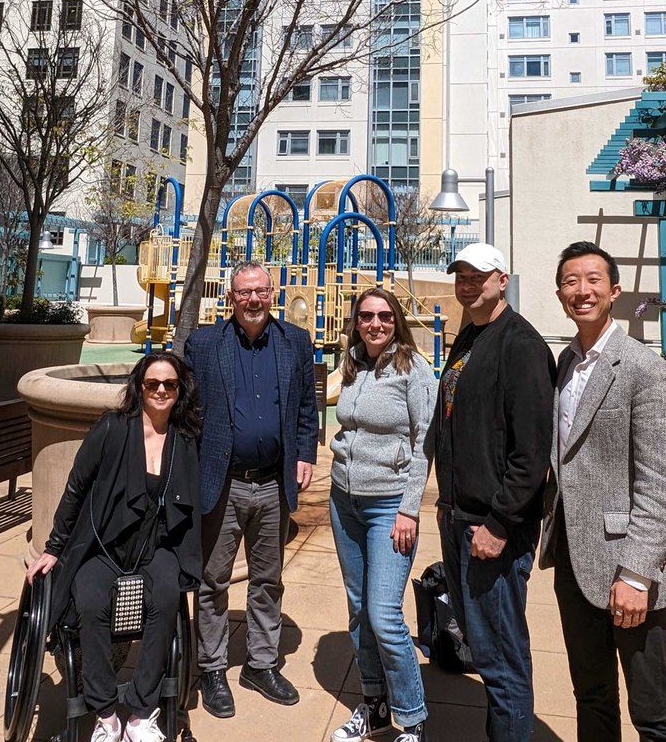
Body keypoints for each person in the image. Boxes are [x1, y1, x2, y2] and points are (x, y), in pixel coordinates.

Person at [540, 241, 666, 742]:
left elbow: (661, 483)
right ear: (560, 293)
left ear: (614, 291)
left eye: (593, 280)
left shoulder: (646, 370)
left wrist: (638, 574)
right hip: (573, 564)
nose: (582, 291)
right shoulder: (565, 363)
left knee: (652, 713)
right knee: (592, 698)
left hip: (629, 570)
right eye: (571, 281)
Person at [25, 353, 202, 742]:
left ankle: (141, 712)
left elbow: (186, 508)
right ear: (140, 387)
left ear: (179, 391)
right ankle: (105, 712)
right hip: (104, 545)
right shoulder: (113, 428)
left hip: (154, 548)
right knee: (90, 601)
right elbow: (75, 488)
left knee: (167, 599)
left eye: (168, 385)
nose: (160, 391)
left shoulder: (184, 440)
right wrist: (54, 548)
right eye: (152, 384)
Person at [431, 243, 555, 742]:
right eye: (460, 275)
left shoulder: (520, 345)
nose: (467, 284)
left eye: (478, 276)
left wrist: (500, 523)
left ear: (502, 279)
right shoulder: (470, 336)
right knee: (484, 650)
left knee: (502, 658)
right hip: (460, 518)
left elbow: (532, 453)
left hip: (492, 528)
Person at [184, 260, 319, 717]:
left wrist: (305, 453)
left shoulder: (295, 343)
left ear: (273, 293)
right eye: (244, 293)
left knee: (268, 580)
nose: (253, 300)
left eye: (260, 291)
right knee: (212, 580)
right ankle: (213, 667)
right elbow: (182, 409)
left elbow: (306, 407)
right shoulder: (203, 344)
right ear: (230, 298)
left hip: (272, 485)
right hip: (222, 483)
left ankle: (261, 664)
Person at [328, 287, 437, 742]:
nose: (376, 324)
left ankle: (411, 719)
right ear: (356, 322)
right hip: (343, 501)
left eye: (385, 316)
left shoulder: (413, 369)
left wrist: (409, 509)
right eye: (367, 316)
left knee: (384, 615)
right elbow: (345, 423)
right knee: (359, 610)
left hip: (389, 504)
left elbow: (424, 441)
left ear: (397, 321)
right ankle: (373, 705)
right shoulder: (351, 365)